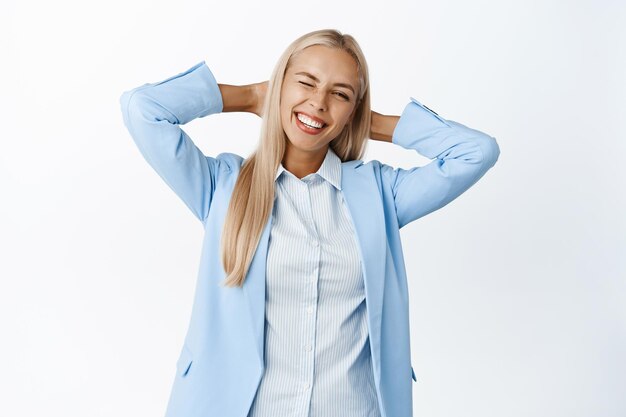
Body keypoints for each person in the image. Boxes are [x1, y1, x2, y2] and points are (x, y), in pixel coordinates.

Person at [119, 28, 500, 417]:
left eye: (340, 95)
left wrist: (374, 124)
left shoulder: (380, 192)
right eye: (306, 83)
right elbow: (141, 109)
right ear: (279, 85)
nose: (318, 103)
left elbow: (476, 152)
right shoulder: (222, 187)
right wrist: (248, 96)